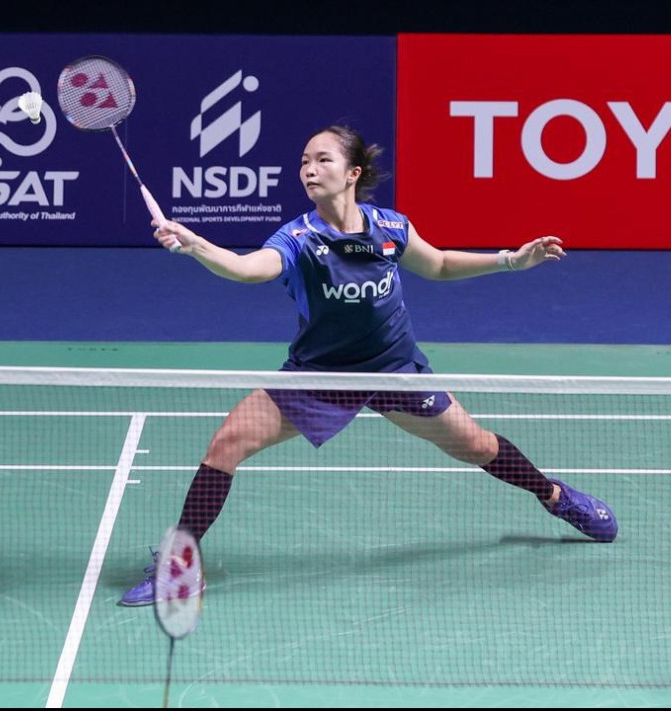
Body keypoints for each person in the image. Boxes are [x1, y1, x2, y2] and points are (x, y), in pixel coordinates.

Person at [119, 125, 618, 606]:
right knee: (227, 443)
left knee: (478, 445)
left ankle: (555, 495)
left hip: (394, 369)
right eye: (304, 161)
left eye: (323, 160)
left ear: (353, 173)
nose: (309, 169)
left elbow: (439, 264)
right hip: (321, 374)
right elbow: (249, 269)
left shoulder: (390, 227)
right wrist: (197, 246)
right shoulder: (298, 238)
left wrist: (510, 260)